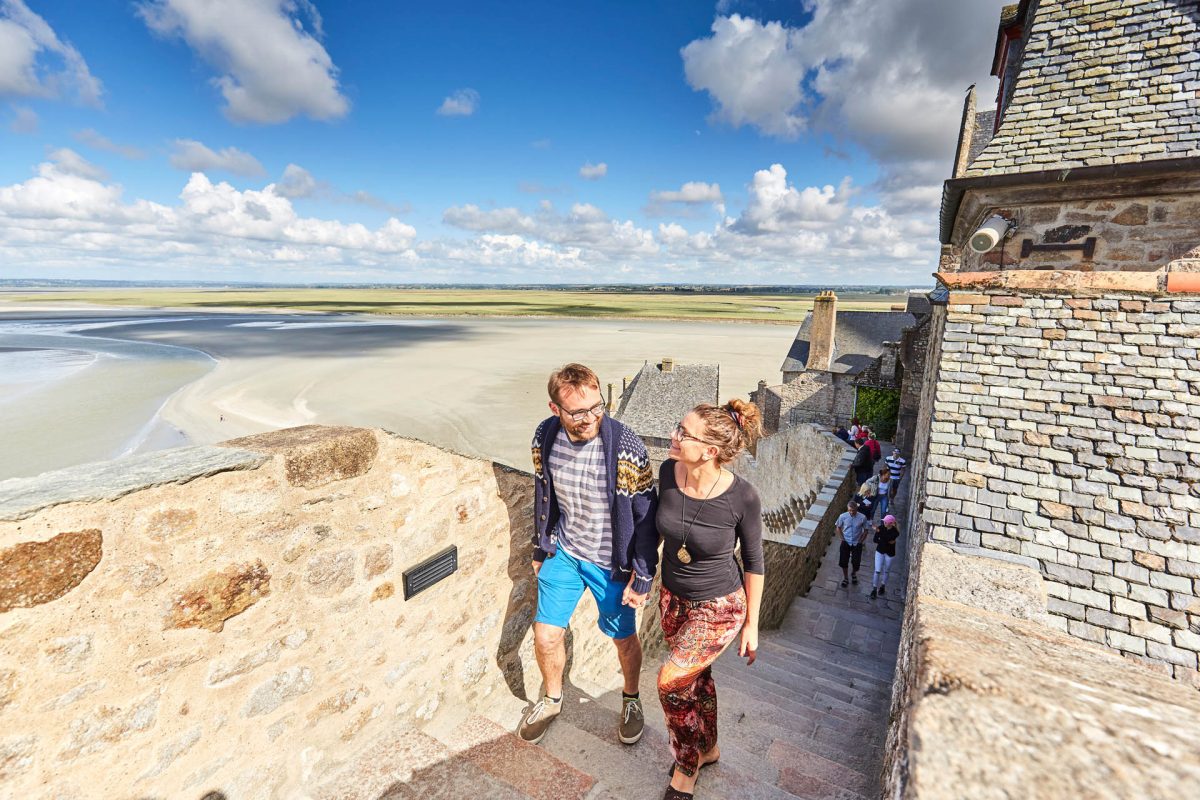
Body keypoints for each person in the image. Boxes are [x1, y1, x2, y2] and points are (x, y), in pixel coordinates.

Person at [520, 363, 659, 747]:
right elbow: (542, 494)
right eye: (578, 412)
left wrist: (643, 574)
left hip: (610, 564)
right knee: (546, 634)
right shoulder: (544, 437)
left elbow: (647, 517)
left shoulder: (626, 447)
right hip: (564, 552)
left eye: (597, 407)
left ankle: (630, 698)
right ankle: (551, 699)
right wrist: (541, 545)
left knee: (623, 638)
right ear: (555, 410)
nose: (591, 418)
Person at [656, 399, 765, 800]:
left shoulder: (742, 498)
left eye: (684, 433)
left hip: (719, 606)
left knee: (671, 683)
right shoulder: (668, 472)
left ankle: (686, 765)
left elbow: (754, 563)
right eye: (678, 426)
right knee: (695, 680)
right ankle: (711, 747)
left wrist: (752, 625)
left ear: (709, 451)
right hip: (672, 599)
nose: (674, 436)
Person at [835, 499, 870, 588]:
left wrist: (860, 541)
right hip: (846, 541)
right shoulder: (843, 516)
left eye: (853, 510)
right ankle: (846, 578)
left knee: (856, 562)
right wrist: (842, 539)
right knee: (843, 561)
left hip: (856, 542)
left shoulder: (862, 517)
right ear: (847, 509)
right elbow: (838, 527)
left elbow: (866, 530)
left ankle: (853, 573)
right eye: (849, 510)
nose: (851, 512)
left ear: (856, 509)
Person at [870, 514, 901, 599]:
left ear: (890, 523)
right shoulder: (881, 527)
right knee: (877, 570)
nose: (884, 522)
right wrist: (881, 537)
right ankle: (874, 589)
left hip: (889, 553)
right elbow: (875, 540)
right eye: (884, 521)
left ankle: (883, 586)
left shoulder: (895, 532)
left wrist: (879, 533)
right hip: (880, 551)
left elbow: (886, 539)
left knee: (886, 570)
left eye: (886, 522)